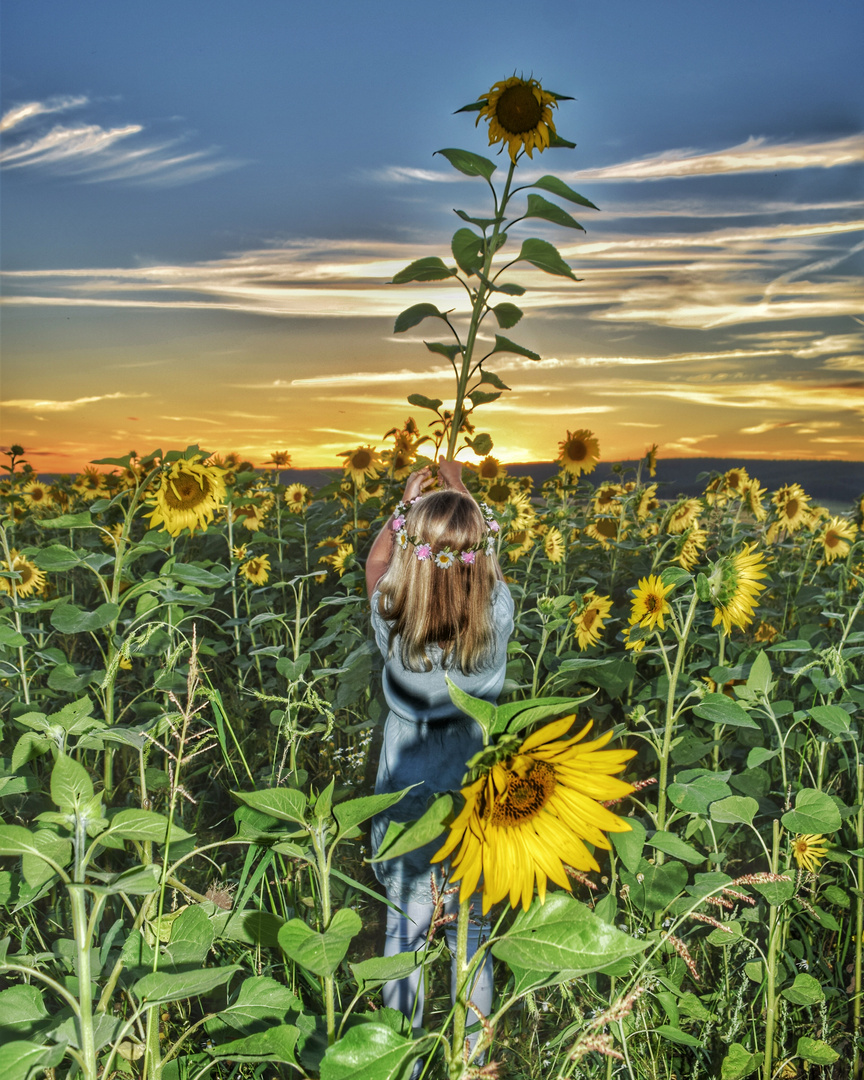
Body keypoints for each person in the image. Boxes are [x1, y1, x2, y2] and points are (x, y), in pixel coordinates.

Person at [365, 456, 514, 1056]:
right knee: (472, 934)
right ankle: (472, 1060)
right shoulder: (496, 619)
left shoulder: (393, 618)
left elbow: (378, 565)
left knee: (402, 931)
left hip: (406, 801)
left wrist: (405, 506)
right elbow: (489, 565)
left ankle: (397, 1052)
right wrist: (461, 493)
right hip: (474, 805)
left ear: (410, 559)